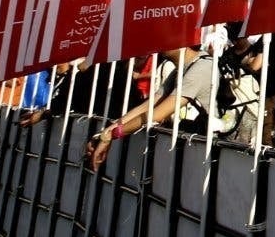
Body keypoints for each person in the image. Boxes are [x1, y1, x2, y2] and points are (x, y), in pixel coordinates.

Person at [86, 31, 261, 169]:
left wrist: (111, 135)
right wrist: (106, 132)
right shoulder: (181, 68)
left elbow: (156, 115)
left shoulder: (201, 68)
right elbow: (148, 106)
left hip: (224, 150)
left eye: (166, 37)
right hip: (208, 145)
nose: (159, 43)